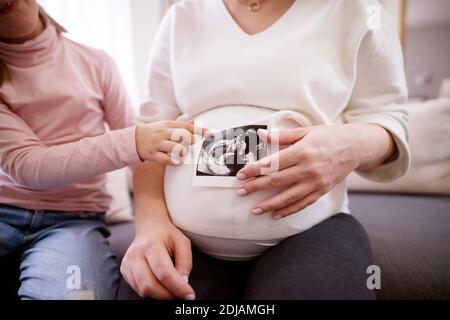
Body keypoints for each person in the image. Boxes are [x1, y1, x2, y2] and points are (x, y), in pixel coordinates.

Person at [121, 0, 410, 300]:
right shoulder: (181, 16)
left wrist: (348, 146)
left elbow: (388, 119)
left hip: (311, 230)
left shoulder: (358, 11)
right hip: (181, 237)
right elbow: (151, 133)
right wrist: (150, 224)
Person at [0, 0, 205, 300]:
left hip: (72, 221)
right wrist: (133, 141)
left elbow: (144, 159)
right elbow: (27, 165)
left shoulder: (96, 63)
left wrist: (158, 219)